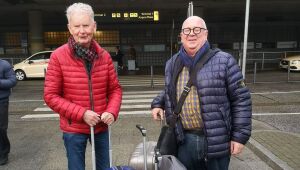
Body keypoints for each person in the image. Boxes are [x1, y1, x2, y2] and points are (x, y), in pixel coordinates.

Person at [151, 16, 252, 170]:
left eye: (197, 29)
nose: (191, 33)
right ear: (181, 35)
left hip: (216, 140)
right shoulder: (172, 63)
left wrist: (239, 137)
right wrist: (158, 103)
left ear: (206, 34)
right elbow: (170, 90)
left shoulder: (224, 61)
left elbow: (241, 100)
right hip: (183, 140)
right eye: (187, 30)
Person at [43, 3, 122, 170]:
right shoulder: (58, 56)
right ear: (69, 28)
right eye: (77, 26)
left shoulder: (104, 56)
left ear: (94, 26)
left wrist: (111, 111)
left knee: (104, 167)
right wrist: (82, 113)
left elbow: (115, 89)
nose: (82, 31)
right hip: (73, 127)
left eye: (86, 25)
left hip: (101, 126)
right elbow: (50, 96)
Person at [0, 59, 17, 165]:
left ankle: (3, 153)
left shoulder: (4, 64)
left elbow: (13, 81)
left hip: (1, 101)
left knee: (1, 128)